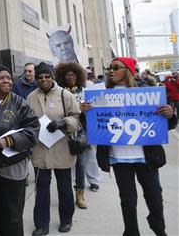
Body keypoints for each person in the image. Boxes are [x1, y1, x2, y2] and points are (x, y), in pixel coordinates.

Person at [81, 57, 177, 236]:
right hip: (119, 159)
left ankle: (159, 228)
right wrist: (85, 113)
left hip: (146, 157)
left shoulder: (148, 92)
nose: (111, 71)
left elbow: (167, 124)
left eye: (116, 67)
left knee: (155, 198)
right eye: (109, 68)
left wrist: (170, 115)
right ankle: (131, 232)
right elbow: (91, 126)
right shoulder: (100, 95)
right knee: (128, 201)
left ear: (128, 70)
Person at [0, 63, 40, 236]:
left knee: (13, 217)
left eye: (8, 77)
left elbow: (33, 131)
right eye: (0, 78)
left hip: (13, 167)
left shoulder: (19, 103)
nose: (6, 81)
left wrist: (7, 141)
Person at [28, 62, 82, 236]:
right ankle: (42, 224)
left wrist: (63, 123)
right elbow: (27, 120)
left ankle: (66, 219)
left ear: (52, 77)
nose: (44, 80)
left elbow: (78, 120)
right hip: (40, 150)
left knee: (64, 188)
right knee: (41, 190)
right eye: (40, 77)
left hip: (62, 149)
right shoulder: (30, 97)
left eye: (47, 76)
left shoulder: (65, 95)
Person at [54, 63, 100, 210]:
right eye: (67, 74)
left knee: (81, 164)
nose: (70, 76)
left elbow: (95, 112)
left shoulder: (86, 92)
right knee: (66, 166)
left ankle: (80, 194)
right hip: (64, 134)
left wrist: (86, 111)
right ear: (62, 77)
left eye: (73, 74)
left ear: (78, 76)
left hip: (82, 133)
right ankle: (67, 193)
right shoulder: (58, 94)